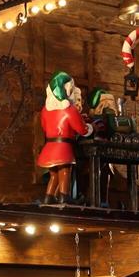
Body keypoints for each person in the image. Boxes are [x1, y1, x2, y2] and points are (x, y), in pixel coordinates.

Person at [38, 70, 93, 204]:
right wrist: (91, 128)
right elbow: (82, 129)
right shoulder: (69, 110)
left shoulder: (45, 110)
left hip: (49, 147)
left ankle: (48, 197)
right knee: (64, 172)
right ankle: (64, 197)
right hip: (63, 147)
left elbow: (44, 128)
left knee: (53, 174)